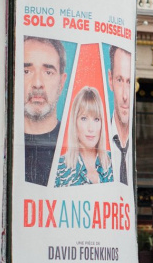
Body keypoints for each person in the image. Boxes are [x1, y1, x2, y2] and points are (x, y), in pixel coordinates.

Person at [23, 37, 66, 186]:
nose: (37, 84)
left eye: (48, 72)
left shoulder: (76, 143)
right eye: (26, 71)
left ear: (61, 82)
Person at [55, 87, 113, 186]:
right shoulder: (59, 168)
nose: (91, 128)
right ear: (75, 122)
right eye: (84, 118)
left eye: (96, 119)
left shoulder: (114, 163)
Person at [107, 46, 132, 185]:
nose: (125, 96)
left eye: (129, 82)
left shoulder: (135, 148)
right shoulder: (96, 139)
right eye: (120, 80)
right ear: (110, 80)